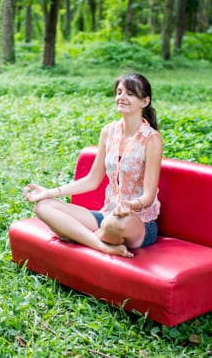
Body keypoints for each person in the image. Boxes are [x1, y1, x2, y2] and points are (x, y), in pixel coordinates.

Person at [22, 72, 163, 258]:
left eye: (130, 93)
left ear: (144, 102)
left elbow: (148, 196)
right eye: (119, 92)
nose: (121, 97)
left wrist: (129, 205)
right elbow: (92, 180)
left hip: (137, 222)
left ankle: (75, 235)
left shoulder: (151, 139)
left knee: (113, 224)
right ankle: (101, 245)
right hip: (106, 215)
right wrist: (50, 192)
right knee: (43, 206)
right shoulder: (108, 132)